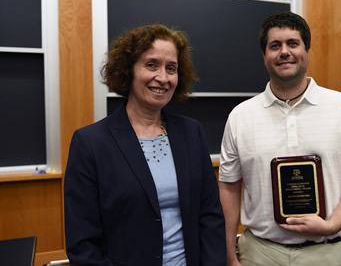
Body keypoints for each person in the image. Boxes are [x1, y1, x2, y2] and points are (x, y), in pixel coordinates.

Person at [219, 11, 341, 266]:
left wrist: (331, 225)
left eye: (293, 43)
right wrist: (230, 255)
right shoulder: (240, 117)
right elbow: (229, 187)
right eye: (275, 46)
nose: (284, 52)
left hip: (326, 252)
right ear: (264, 56)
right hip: (259, 253)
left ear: (306, 50)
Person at [64, 24, 226, 266]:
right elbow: (83, 243)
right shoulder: (90, 143)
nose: (162, 77)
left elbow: (210, 215)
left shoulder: (191, 133)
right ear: (128, 70)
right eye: (151, 65)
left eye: (171, 68)